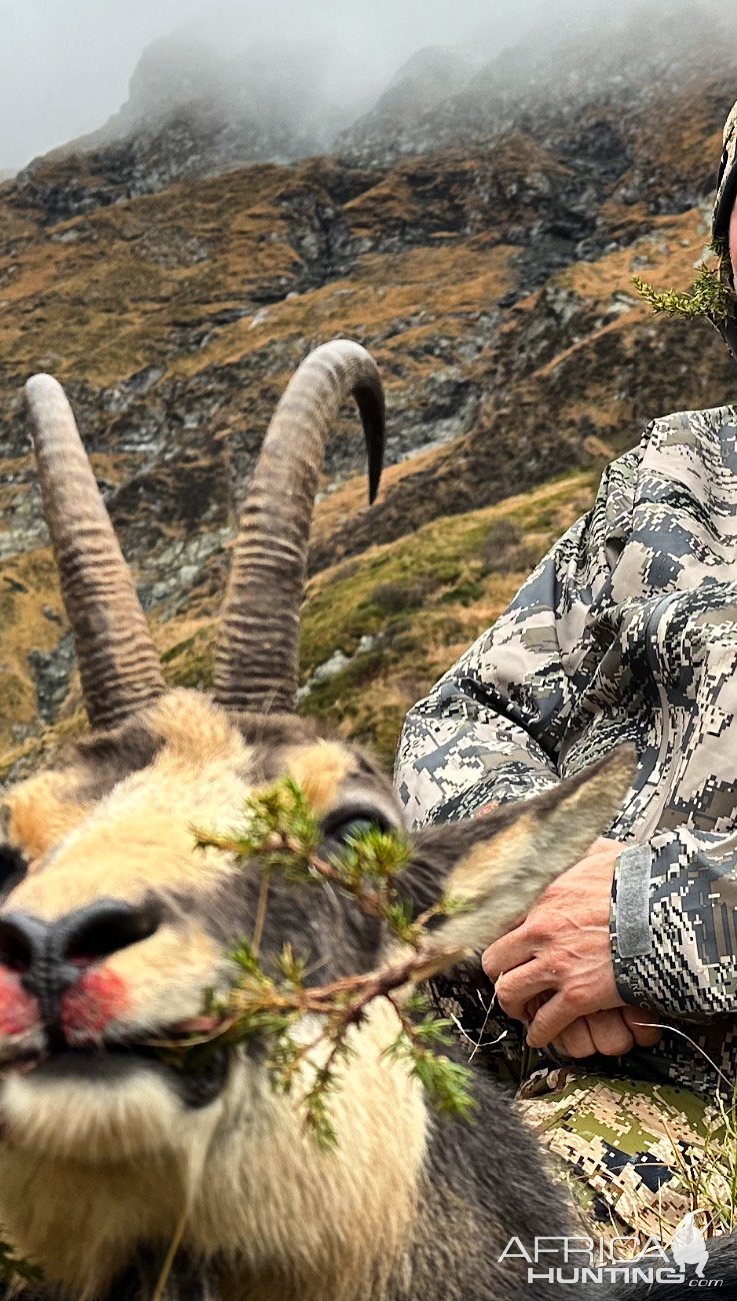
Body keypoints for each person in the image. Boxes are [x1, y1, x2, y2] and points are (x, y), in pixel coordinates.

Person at [394, 98, 737, 1240]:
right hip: (548, 1059)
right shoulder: (676, 476)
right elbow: (464, 718)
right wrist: (531, 884)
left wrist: (649, 924)